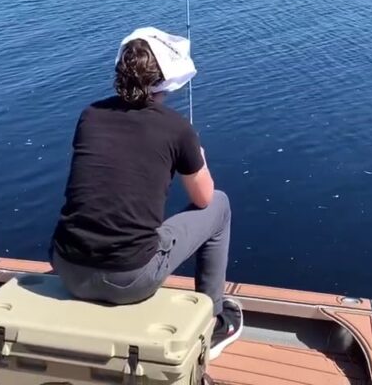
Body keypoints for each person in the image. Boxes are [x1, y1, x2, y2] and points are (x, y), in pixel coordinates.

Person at [50, 27, 243, 360]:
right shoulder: (177, 129)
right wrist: (199, 158)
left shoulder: (90, 116)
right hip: (130, 280)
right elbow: (204, 199)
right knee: (221, 205)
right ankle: (212, 321)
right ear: (165, 80)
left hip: (67, 269)